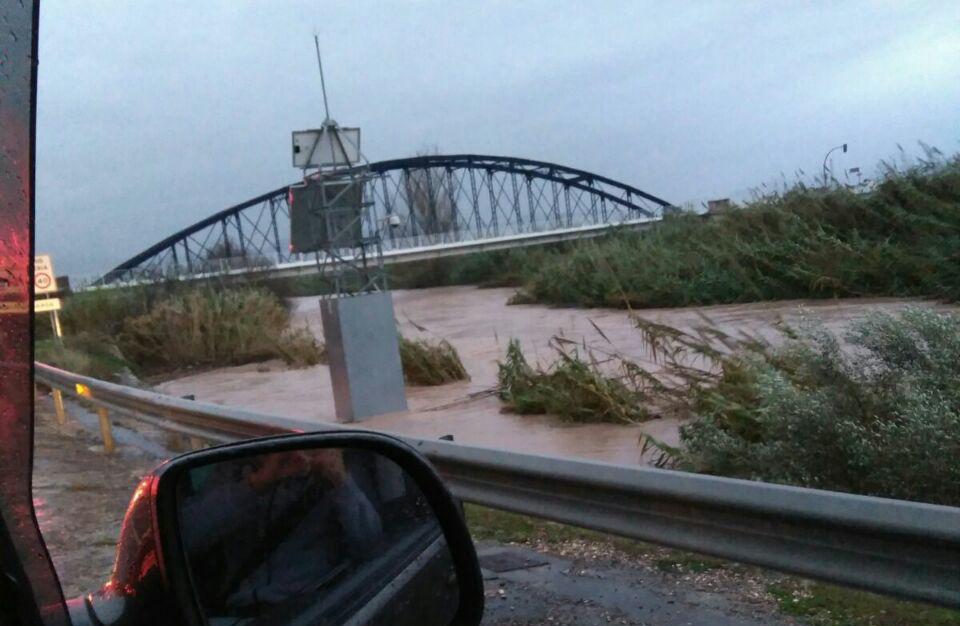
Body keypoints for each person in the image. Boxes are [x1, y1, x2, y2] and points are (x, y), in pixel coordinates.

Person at [178, 448, 383, 619]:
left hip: (311, 609)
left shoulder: (343, 471)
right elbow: (184, 538)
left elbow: (371, 546)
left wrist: (340, 482)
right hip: (237, 610)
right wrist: (255, 485)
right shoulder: (234, 469)